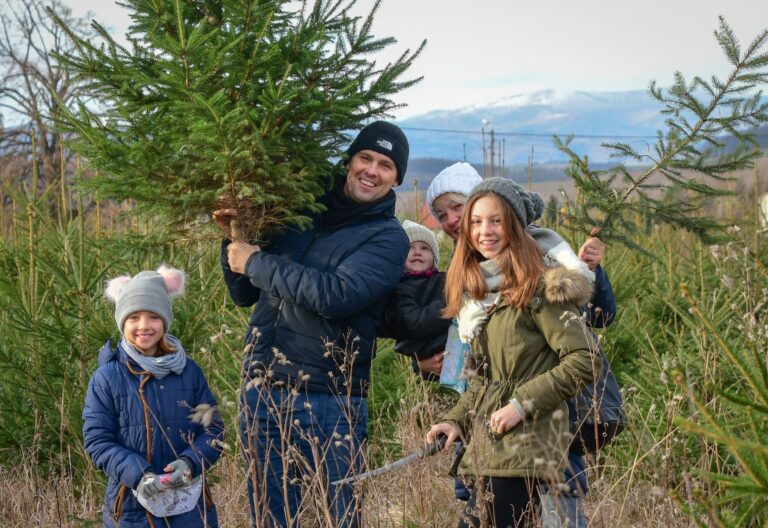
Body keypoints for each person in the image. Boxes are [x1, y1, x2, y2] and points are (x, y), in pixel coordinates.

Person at [213, 121, 410, 527]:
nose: (371, 170)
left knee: (333, 517)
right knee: (271, 517)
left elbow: (336, 296)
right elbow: (244, 294)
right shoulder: (301, 213)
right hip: (264, 392)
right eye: (365, 158)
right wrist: (233, 241)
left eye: (386, 165)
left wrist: (255, 260)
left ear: (396, 179)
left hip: (330, 402)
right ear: (350, 161)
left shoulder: (388, 238)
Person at [426, 179, 600, 528]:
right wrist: (456, 420)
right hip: (491, 450)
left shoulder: (540, 287)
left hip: (526, 450)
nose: (483, 231)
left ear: (516, 226)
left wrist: (521, 405)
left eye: (495, 221)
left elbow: (586, 360)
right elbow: (486, 381)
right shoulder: (486, 296)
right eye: (475, 222)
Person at [83, 266, 224, 528]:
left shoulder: (189, 371)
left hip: (190, 509)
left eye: (153, 317)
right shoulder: (107, 378)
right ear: (122, 321)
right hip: (131, 511)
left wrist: (190, 461)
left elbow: (213, 430)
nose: (144, 326)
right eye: (134, 317)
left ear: (165, 321)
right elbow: (97, 441)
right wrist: (138, 474)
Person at [378, 219, 450, 381]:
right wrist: (452, 304)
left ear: (434, 258)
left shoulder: (444, 280)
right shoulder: (398, 289)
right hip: (429, 349)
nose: (417, 252)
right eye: (410, 248)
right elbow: (413, 323)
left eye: (425, 248)